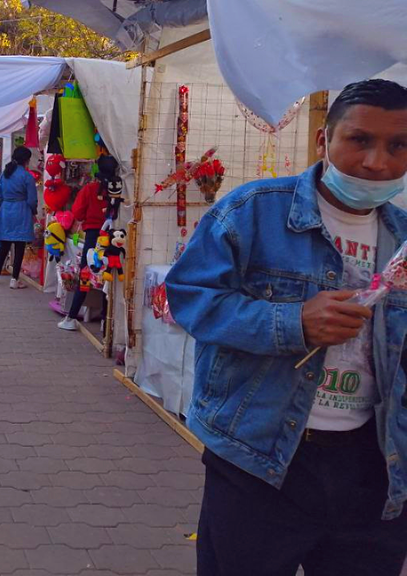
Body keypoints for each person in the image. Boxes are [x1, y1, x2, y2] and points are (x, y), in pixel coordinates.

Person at [165, 79, 407, 576]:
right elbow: (189, 296)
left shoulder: (403, 237)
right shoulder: (253, 211)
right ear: (324, 139)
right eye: (359, 140)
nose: (377, 163)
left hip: (374, 464)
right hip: (258, 459)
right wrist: (292, 321)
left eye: (398, 146)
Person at [57, 155, 116, 331]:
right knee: (109, 277)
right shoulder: (119, 190)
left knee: (85, 276)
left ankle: (72, 316)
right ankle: (107, 322)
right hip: (113, 237)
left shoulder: (90, 189)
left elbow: (78, 212)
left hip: (92, 236)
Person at [0, 147, 38, 289]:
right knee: (20, 246)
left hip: (6, 210)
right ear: (26, 160)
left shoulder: (5, 174)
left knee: (4, 245)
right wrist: (32, 211)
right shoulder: (27, 176)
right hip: (22, 210)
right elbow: (32, 199)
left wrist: (5, 205)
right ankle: (14, 279)